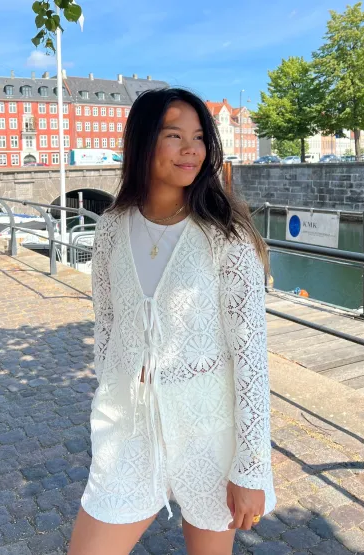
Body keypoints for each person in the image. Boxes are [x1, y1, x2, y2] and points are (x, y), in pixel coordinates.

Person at [68, 88, 276, 555]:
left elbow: (250, 357)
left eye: (199, 137)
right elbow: (107, 328)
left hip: (209, 430)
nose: (191, 150)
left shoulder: (226, 235)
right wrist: (110, 394)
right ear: (143, 142)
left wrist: (250, 467)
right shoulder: (111, 227)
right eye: (174, 135)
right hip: (129, 431)